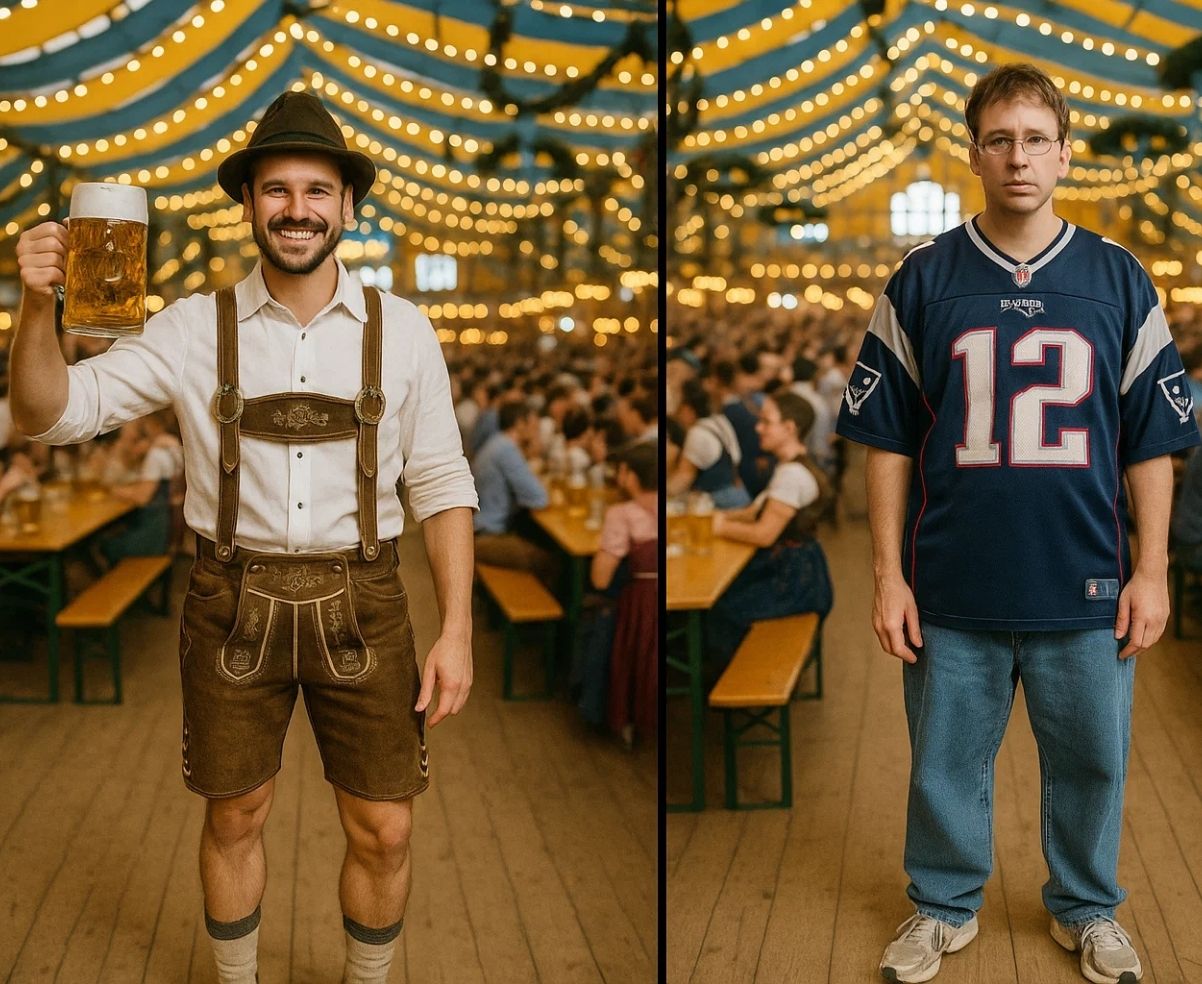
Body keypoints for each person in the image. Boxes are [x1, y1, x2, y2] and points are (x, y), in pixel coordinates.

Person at [11, 89, 479, 984]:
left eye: (315, 190)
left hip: (367, 600)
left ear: (347, 206)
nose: (295, 209)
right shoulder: (192, 327)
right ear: (248, 205)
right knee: (235, 817)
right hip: (231, 601)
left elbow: (442, 483)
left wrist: (455, 630)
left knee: (385, 828)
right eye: (276, 190)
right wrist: (39, 307)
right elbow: (50, 415)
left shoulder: (404, 330)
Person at [834, 64, 1200, 984]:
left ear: (1066, 153)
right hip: (952, 579)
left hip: (1085, 581)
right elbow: (886, 442)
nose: (1018, 156)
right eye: (1000, 139)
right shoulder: (922, 277)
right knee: (943, 765)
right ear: (975, 154)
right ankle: (942, 906)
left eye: (1037, 138)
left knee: (1093, 762)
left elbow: (1151, 445)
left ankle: (1087, 907)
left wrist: (1151, 570)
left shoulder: (1119, 278)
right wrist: (887, 575)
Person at [708, 391, 834, 664]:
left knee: (718, 609)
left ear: (789, 428)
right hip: (798, 571)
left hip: (793, 581)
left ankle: (727, 682)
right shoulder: (793, 465)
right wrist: (715, 516)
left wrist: (717, 527)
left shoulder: (792, 475)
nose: (758, 428)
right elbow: (754, 511)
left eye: (766, 422)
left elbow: (764, 535)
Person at [590, 441, 658, 749]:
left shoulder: (622, 514)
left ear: (630, 476)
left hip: (640, 607)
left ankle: (618, 716)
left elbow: (600, 578)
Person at [471, 396, 558, 587]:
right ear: (520, 424)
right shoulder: (506, 449)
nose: (536, 430)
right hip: (487, 536)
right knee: (551, 561)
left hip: (479, 528)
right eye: (533, 425)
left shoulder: (496, 441)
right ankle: (543, 615)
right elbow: (539, 499)